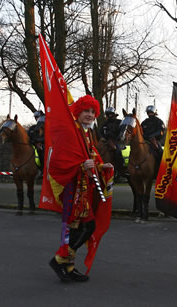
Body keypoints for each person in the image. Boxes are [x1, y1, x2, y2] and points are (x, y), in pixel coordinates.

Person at [48, 95, 114, 282]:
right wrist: (80, 166)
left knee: (79, 227)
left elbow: (90, 156)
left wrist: (101, 167)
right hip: (72, 188)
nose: (90, 115)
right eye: (86, 111)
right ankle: (60, 260)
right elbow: (58, 161)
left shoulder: (86, 133)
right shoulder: (70, 132)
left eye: (93, 112)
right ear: (78, 112)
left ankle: (68, 265)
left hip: (84, 189)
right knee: (85, 226)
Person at [140, 105, 165, 173]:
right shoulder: (144, 122)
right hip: (145, 140)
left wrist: (152, 136)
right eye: (148, 112)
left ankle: (162, 170)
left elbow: (161, 131)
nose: (149, 114)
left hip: (155, 140)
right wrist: (144, 136)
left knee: (161, 152)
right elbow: (140, 131)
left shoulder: (159, 121)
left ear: (154, 113)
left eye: (151, 112)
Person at [99, 107, 123, 173]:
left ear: (114, 114)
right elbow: (101, 132)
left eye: (111, 114)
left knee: (117, 152)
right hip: (106, 141)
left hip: (116, 141)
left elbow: (122, 132)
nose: (109, 115)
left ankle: (119, 171)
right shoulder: (104, 123)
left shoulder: (119, 122)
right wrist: (104, 137)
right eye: (108, 114)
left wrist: (118, 137)